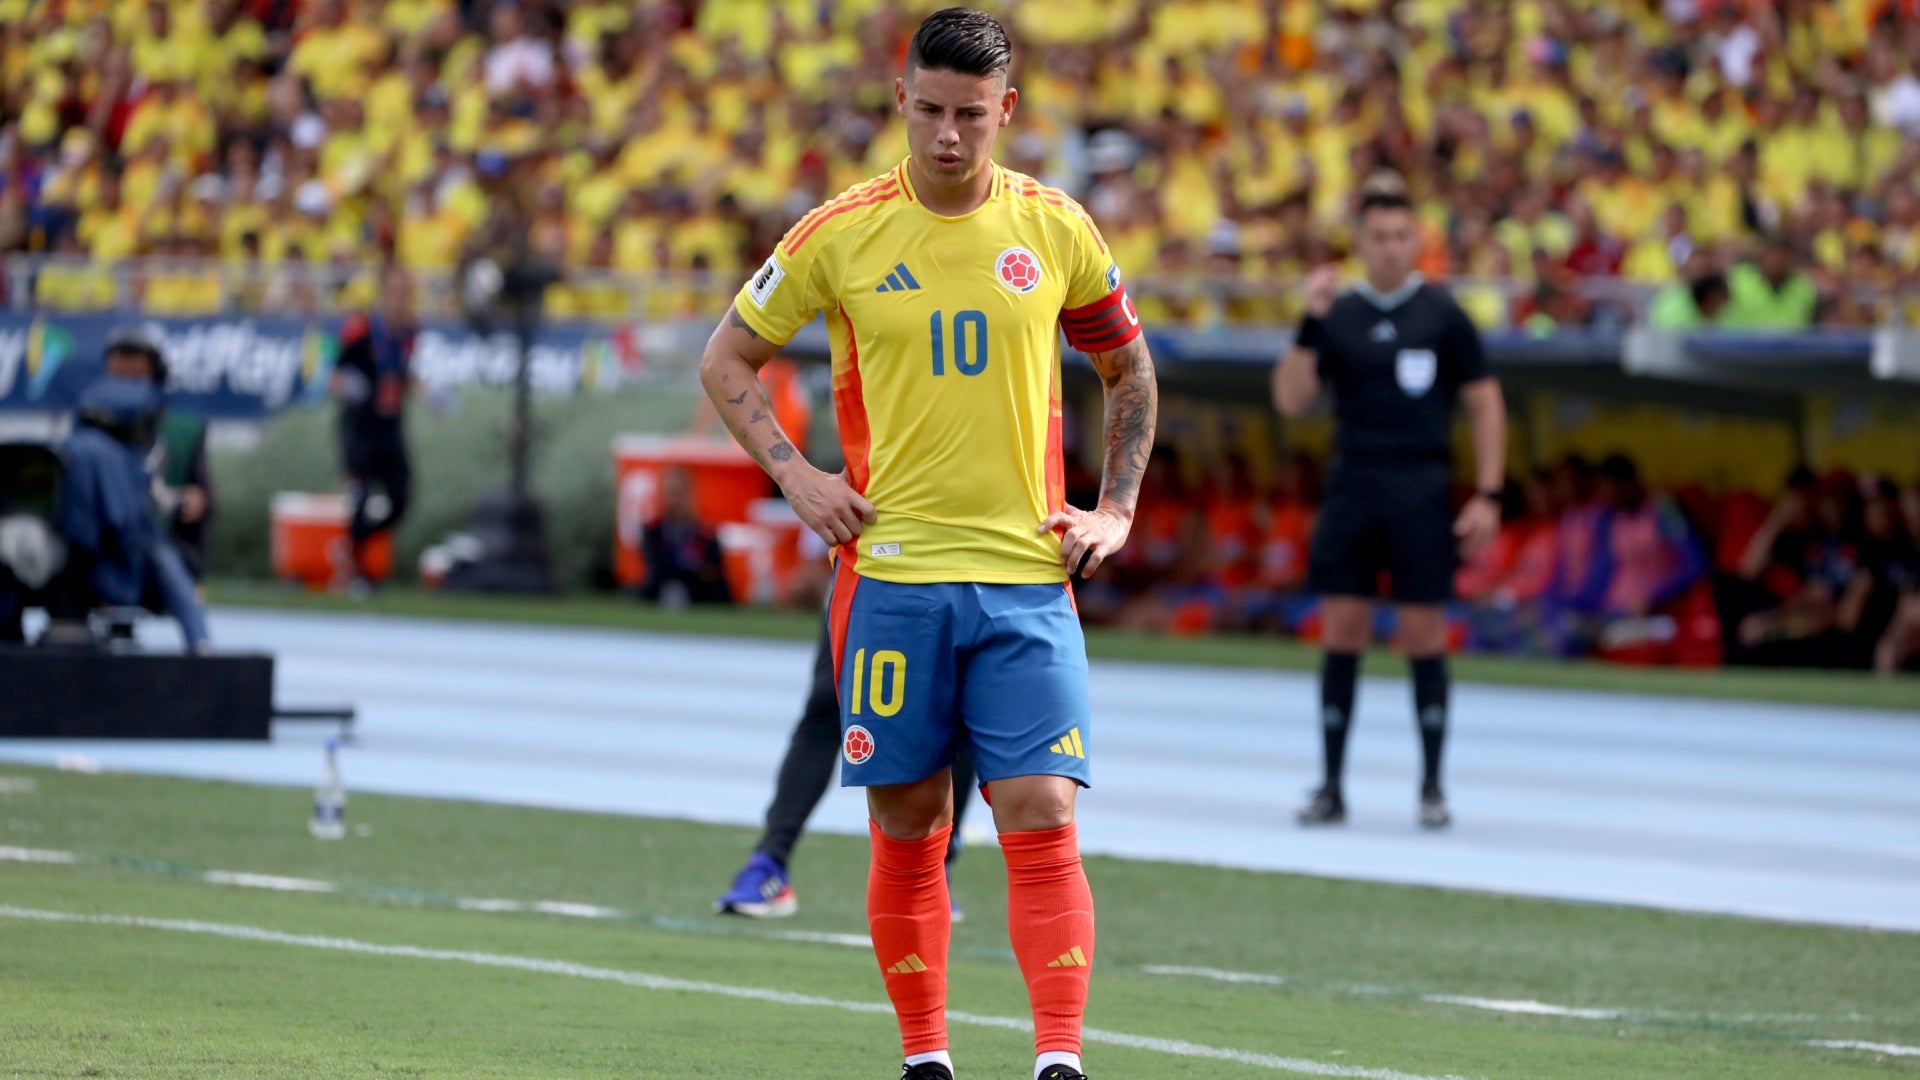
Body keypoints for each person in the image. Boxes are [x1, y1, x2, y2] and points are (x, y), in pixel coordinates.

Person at [698, 11, 1158, 1080]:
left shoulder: (1056, 228)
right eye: (930, 110)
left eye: (970, 115)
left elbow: (1128, 371)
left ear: (1007, 110)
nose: (949, 135)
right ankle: (927, 1059)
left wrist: (1116, 511)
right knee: (913, 821)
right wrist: (797, 476)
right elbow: (728, 360)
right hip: (893, 578)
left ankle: (1059, 1061)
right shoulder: (838, 233)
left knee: (1043, 812)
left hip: (1028, 579)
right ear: (902, 100)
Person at [1272, 171, 1507, 830]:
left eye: (1402, 235)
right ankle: (1331, 786)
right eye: (1378, 236)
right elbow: (1291, 399)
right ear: (1360, 242)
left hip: (1423, 486)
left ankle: (1432, 787)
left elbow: (1486, 405)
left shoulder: (1443, 313)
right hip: (1354, 483)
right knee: (1342, 629)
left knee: (1422, 633)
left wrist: (1488, 493)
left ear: (1417, 240)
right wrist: (1307, 320)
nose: (1391, 247)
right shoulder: (1339, 312)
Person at [714, 616, 978, 920]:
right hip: (869, 580)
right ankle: (770, 860)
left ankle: (936, 867)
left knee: (952, 706)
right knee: (828, 701)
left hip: (962, 581)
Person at [331, 263, 417, 592]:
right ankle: (354, 570)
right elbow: (336, 375)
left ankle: (355, 545)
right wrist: (352, 386)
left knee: (401, 497)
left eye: (405, 293)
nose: (400, 299)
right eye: (395, 292)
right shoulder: (362, 329)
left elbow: (402, 375)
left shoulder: (408, 332)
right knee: (360, 497)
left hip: (390, 428)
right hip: (359, 430)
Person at [638, 467, 732, 606]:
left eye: (680, 493)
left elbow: (715, 566)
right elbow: (654, 565)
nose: (675, 500)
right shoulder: (654, 530)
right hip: (664, 583)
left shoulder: (705, 531)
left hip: (698, 589)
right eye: (671, 493)